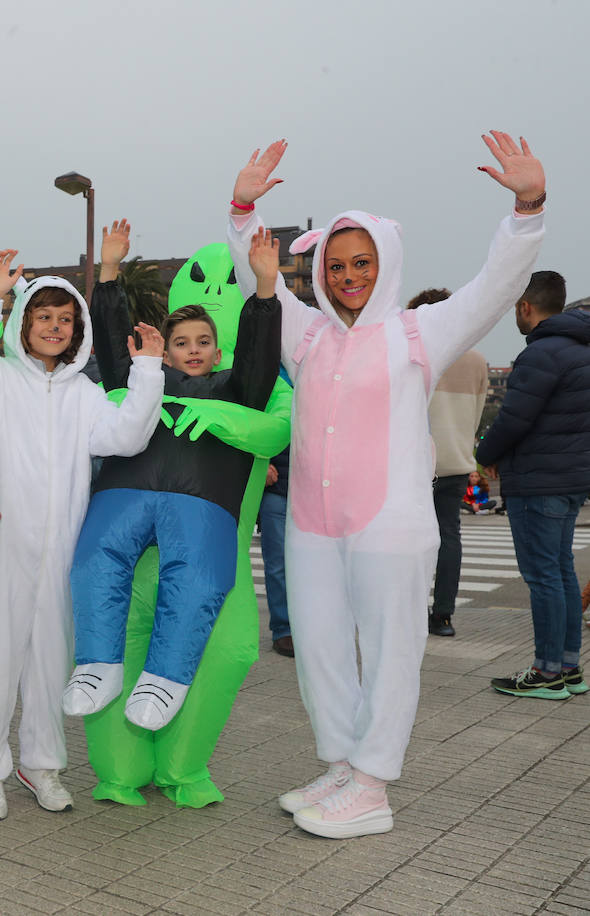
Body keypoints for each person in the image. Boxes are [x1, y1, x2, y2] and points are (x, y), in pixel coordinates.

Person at [227, 133, 544, 839]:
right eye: (335, 265)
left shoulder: (419, 333)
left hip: (389, 523)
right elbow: (257, 271)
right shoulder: (303, 332)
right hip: (312, 520)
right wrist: (243, 206)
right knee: (319, 648)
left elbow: (496, 286)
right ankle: (340, 764)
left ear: (385, 263)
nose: (347, 275)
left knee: (391, 650)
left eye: (361, 262)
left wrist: (526, 210)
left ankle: (373, 784)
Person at [0, 249, 165, 821]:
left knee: (51, 658)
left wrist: (146, 372)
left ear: (78, 331)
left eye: (65, 319)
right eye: (42, 316)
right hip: (1, 542)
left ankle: (42, 764)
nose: (53, 327)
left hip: (63, 547)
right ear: (22, 323)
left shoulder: (85, 395)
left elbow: (128, 437)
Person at [63, 230, 281, 731]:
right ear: (166, 352)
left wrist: (266, 290)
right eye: (182, 343)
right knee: (95, 559)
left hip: (202, 500)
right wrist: (111, 273)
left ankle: (167, 677)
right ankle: (97, 663)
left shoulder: (235, 390)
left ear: (218, 348)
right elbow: (119, 356)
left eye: (204, 342)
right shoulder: (146, 380)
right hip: (126, 489)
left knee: (198, 577)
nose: (194, 350)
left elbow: (258, 359)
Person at [475, 271, 590, 700]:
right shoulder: (581, 351)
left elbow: (514, 420)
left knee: (543, 578)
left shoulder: (542, 353)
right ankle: (568, 667)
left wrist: (483, 456)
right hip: (572, 478)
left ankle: (545, 673)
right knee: (560, 574)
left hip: (538, 480)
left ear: (526, 306)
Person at [408, 288, 490, 638]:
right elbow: (477, 415)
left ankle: (409, 610)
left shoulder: (414, 352)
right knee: (449, 536)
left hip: (414, 463)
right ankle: (443, 615)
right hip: (456, 460)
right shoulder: (476, 360)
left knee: (407, 539)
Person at [261, 447, 293, 656]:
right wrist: (261, 463)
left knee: (319, 567)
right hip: (277, 487)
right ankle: (283, 630)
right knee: (278, 563)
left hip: (318, 490)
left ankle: (314, 630)